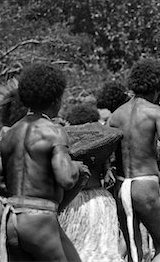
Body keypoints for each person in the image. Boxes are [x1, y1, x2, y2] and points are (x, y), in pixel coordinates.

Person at [0, 63, 89, 261]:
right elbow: (66, 179)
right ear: (56, 99)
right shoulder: (53, 131)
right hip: (39, 220)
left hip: (11, 220)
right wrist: (76, 167)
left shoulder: (10, 134)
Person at [109, 59, 160, 262]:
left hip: (122, 187)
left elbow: (109, 154)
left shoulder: (115, 115)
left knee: (134, 251)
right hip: (145, 184)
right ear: (157, 87)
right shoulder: (155, 112)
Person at [58, 104, 123, 261]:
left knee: (76, 247)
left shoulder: (66, 142)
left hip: (73, 201)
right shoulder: (102, 144)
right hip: (100, 201)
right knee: (103, 249)